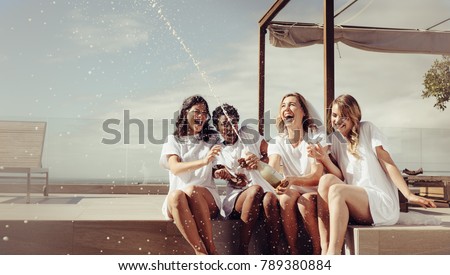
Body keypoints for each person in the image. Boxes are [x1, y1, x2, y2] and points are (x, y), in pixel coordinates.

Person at [309, 94, 437, 255]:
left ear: (353, 116)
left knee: (336, 190)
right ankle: (324, 247)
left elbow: (387, 162)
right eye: (334, 115)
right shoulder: (334, 140)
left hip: (380, 202)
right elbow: (339, 175)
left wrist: (408, 194)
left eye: (344, 116)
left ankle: (333, 255)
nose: (337, 120)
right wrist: (323, 158)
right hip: (357, 202)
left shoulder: (367, 129)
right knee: (326, 180)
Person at [212, 104, 282, 254]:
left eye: (234, 122)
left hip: (262, 193)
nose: (231, 127)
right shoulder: (219, 149)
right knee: (255, 190)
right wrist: (232, 176)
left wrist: (258, 161)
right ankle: (242, 251)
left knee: (269, 198)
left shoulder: (249, 134)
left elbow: (271, 153)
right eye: (225, 124)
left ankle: (274, 252)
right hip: (238, 199)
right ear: (217, 128)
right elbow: (220, 172)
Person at [159, 95, 222, 255]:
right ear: (185, 113)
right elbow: (175, 168)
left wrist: (222, 170)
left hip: (206, 197)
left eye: (204, 112)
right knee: (176, 196)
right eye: (196, 112)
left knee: (192, 189)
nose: (201, 116)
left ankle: (211, 250)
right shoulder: (173, 140)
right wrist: (204, 161)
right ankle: (201, 252)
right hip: (179, 201)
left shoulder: (212, 139)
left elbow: (222, 163)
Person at [268, 92, 324, 255]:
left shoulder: (315, 137)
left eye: (292, 104)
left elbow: (317, 176)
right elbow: (272, 169)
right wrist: (260, 168)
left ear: (303, 111)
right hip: (292, 189)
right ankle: (293, 251)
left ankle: (317, 250)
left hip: (314, 188)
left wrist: (293, 180)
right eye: (283, 106)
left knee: (304, 202)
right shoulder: (277, 141)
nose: (287, 108)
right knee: (285, 199)